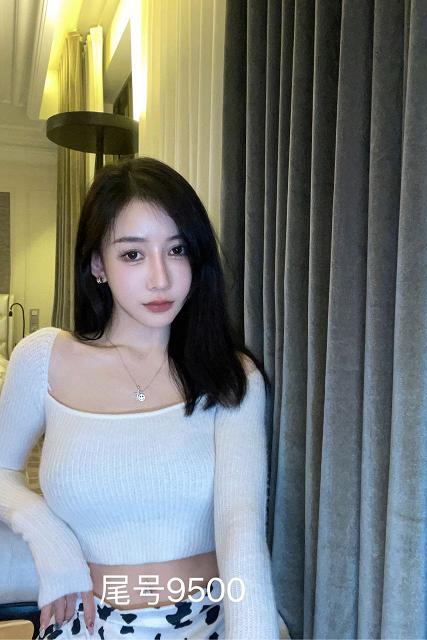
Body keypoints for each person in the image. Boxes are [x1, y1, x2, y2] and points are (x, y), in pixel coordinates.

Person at [0, 157, 280, 639]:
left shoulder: (231, 377)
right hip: (86, 625)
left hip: (203, 623)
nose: (160, 278)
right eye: (132, 254)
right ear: (97, 265)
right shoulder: (43, 359)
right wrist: (45, 533)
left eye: (177, 250)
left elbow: (241, 529)